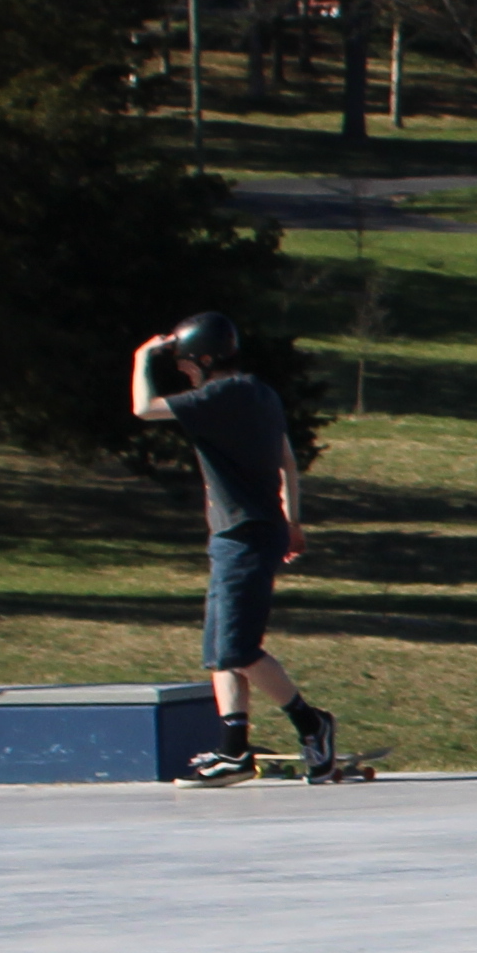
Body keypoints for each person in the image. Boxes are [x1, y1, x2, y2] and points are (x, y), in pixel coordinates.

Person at [131, 314, 342, 783]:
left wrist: (142, 357)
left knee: (238, 649)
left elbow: (144, 408)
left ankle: (312, 724)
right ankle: (234, 752)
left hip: (243, 536)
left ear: (206, 359)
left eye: (187, 364)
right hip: (245, 533)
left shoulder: (218, 396)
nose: (184, 372)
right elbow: (287, 460)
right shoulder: (261, 393)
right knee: (219, 650)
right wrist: (292, 521)